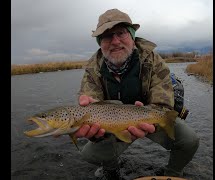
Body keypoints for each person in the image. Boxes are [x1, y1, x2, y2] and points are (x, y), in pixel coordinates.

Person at [74, 8, 199, 179]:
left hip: (148, 118)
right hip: (112, 125)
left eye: (121, 33)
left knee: (189, 141)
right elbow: (89, 107)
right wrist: (93, 130)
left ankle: (173, 173)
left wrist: (146, 118)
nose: (115, 41)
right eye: (107, 36)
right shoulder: (92, 70)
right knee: (89, 153)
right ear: (100, 42)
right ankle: (111, 168)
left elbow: (163, 104)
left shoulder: (154, 61)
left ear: (132, 37)